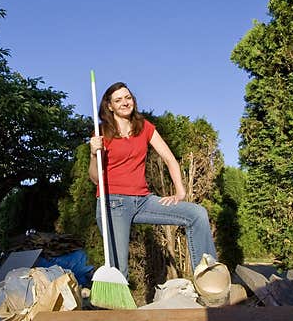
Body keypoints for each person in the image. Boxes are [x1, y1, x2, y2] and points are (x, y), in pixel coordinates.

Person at [88, 81, 218, 281]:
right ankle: (115, 310)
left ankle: (209, 280)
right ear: (109, 106)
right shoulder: (102, 133)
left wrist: (180, 192)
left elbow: (169, 158)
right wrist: (93, 154)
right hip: (113, 203)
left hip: (143, 200)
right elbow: (96, 179)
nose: (125, 102)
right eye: (118, 100)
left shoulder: (144, 127)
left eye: (128, 98)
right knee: (118, 270)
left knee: (196, 214)